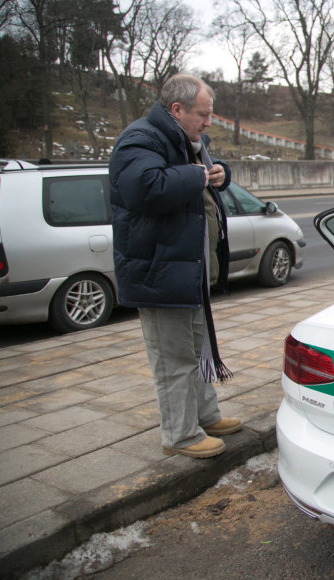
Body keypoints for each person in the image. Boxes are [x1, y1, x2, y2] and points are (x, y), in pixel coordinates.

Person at [109, 73, 242, 459]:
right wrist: (200, 173)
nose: (208, 122)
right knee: (173, 359)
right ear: (177, 109)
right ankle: (180, 434)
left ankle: (205, 416)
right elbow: (144, 187)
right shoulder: (140, 139)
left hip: (186, 271)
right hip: (158, 274)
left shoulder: (187, 141)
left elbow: (203, 174)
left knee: (198, 351)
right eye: (202, 114)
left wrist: (219, 173)